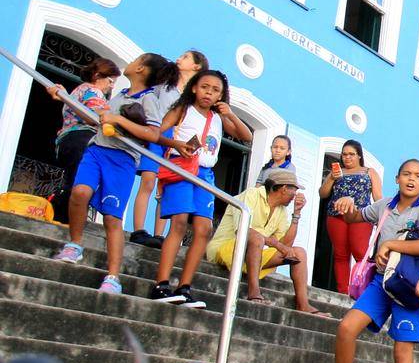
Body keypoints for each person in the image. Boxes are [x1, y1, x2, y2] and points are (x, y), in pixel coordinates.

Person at [305, 158, 419, 363]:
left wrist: (391, 245)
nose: (411, 179)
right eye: (406, 174)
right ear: (397, 178)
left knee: (402, 352)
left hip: (409, 286)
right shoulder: (386, 205)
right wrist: (346, 206)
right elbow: (356, 217)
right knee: (346, 328)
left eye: (418, 175)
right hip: (381, 282)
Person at [53, 52, 178, 293]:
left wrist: (118, 121)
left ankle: (113, 277)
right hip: (96, 150)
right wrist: (64, 96)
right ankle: (75, 244)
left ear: (141, 68)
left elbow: (152, 134)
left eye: (136, 60)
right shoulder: (120, 94)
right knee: (79, 193)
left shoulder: (148, 98)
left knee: (112, 218)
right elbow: (96, 116)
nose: (129, 63)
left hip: (122, 160)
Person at [151, 70, 253, 309]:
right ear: (195, 87)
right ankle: (161, 283)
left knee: (204, 229)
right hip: (182, 167)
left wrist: (232, 115)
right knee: (178, 222)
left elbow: (246, 136)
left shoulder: (218, 117)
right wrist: (176, 144)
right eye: (205, 87)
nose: (209, 93)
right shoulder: (183, 109)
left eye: (216, 90)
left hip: (206, 174)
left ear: (221, 95)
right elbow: (155, 133)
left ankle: (184, 287)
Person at [206, 169, 327, 316]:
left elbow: (285, 245)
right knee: (257, 238)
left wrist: (297, 214)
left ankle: (303, 304)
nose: (294, 197)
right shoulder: (252, 194)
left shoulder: (281, 210)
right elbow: (243, 230)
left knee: (299, 252)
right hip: (225, 249)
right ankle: (254, 292)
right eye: (293, 192)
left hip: (252, 255)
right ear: (283, 189)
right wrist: (276, 244)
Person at [129, 49, 206, 248]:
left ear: (196, 66)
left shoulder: (194, 93)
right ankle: (138, 229)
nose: (180, 58)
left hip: (177, 140)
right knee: (148, 180)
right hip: (157, 133)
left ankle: (159, 234)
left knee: (165, 188)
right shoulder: (165, 83)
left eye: (186, 57)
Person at [47, 57, 119, 219]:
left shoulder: (78, 90)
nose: (111, 86)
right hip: (81, 139)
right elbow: (94, 115)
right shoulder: (93, 91)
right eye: (110, 80)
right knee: (80, 183)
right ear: (97, 75)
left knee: (72, 181)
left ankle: (61, 216)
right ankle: (68, 219)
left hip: (67, 141)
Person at [319, 140, 384, 295]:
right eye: (344, 154)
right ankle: (343, 291)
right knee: (340, 254)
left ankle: (363, 291)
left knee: (360, 252)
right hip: (336, 216)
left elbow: (378, 198)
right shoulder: (336, 172)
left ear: (359, 156)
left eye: (351, 154)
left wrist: (381, 217)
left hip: (360, 216)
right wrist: (332, 178)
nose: (347, 157)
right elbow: (323, 194)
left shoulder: (369, 172)